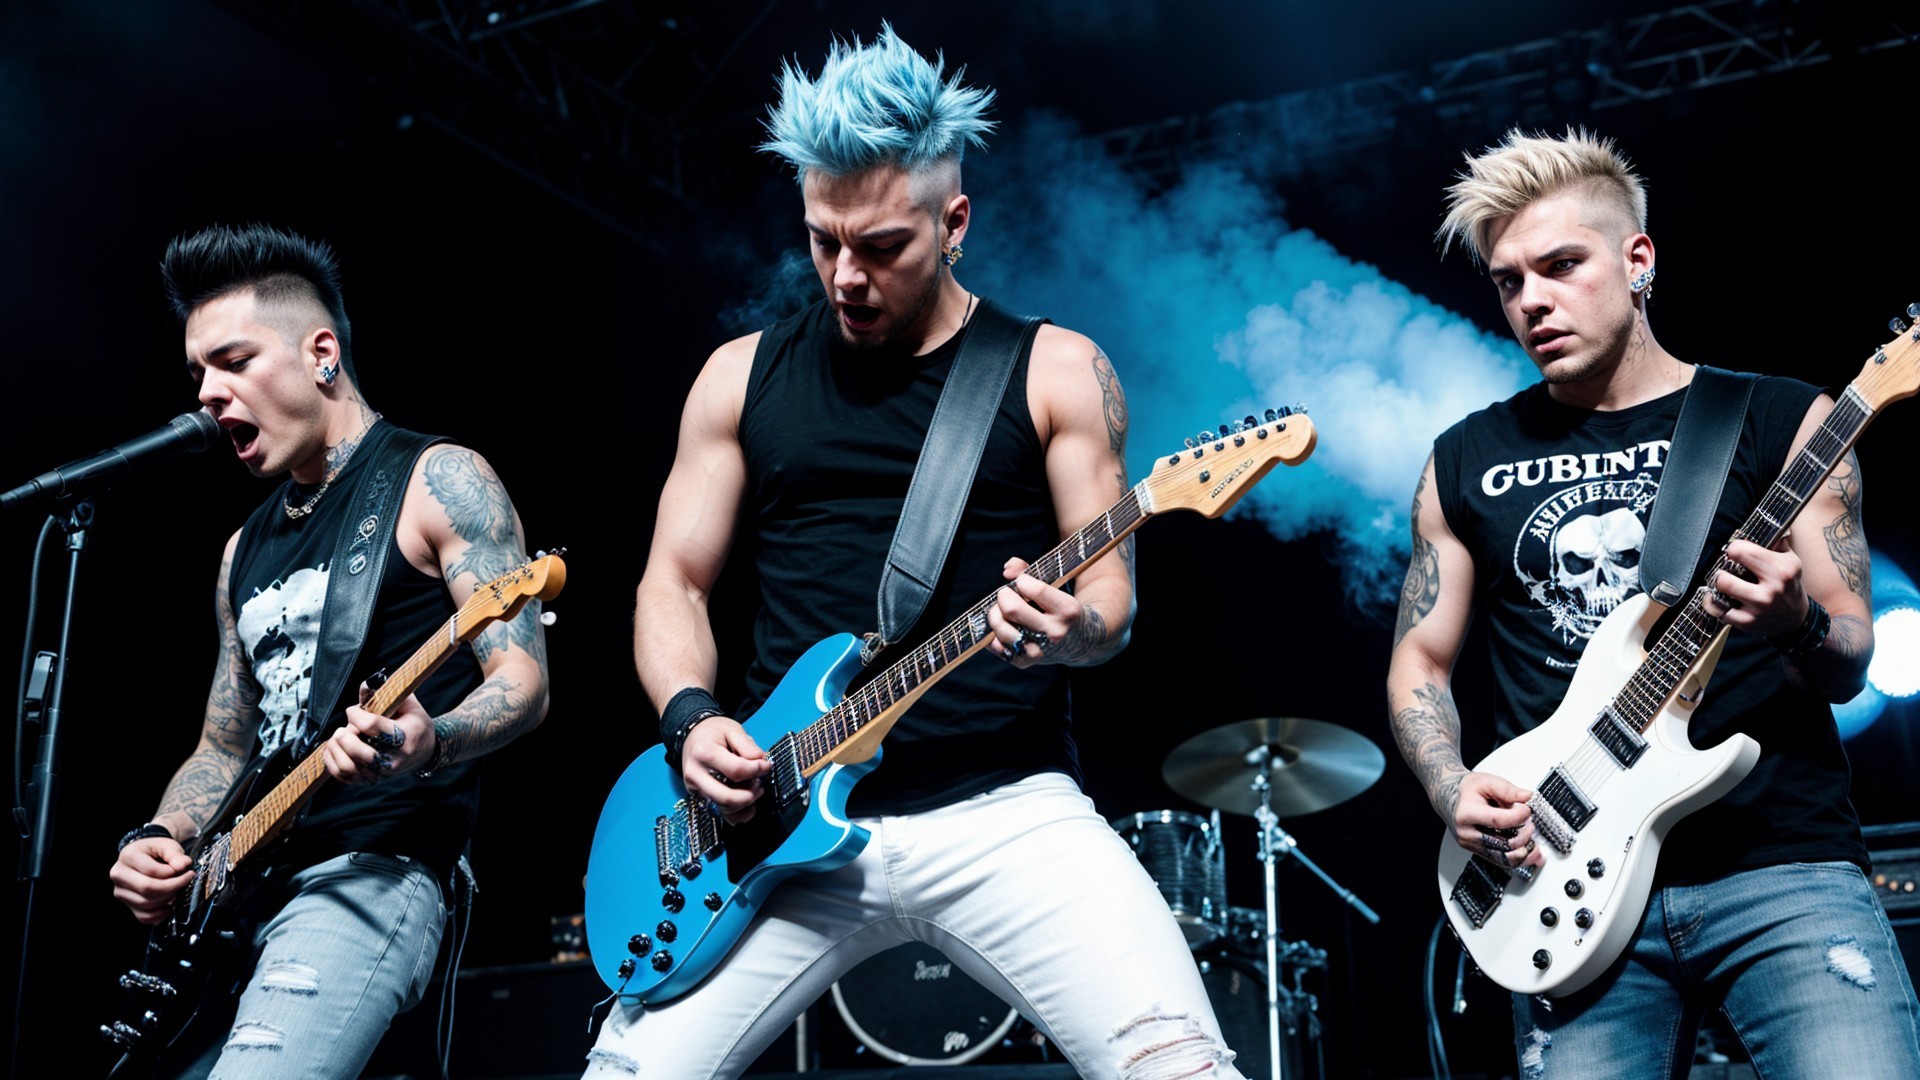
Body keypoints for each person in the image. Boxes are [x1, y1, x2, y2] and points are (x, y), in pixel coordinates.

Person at [585, 26, 1243, 1080]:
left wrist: (1071, 631)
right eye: (823, 241)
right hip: (778, 829)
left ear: (954, 223)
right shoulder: (737, 378)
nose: (846, 277)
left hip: (1003, 809)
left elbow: (1110, 604)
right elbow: (675, 582)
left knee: (1181, 1067)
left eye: (883, 247)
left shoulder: (1057, 370)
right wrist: (691, 719)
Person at [1386, 129, 1920, 1077]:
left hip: (1780, 867)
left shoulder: (1782, 418)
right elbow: (1420, 662)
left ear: (1638, 260)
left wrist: (1795, 623)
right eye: (1509, 282)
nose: (1532, 300)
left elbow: (1848, 658)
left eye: (1561, 265)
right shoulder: (1464, 458)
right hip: (1557, 884)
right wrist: (1450, 785)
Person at [106, 224, 551, 1079]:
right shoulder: (241, 550)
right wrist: (163, 835)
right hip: (236, 901)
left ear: (322, 354)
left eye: (233, 361)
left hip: (370, 872)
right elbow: (223, 745)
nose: (209, 393)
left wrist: (431, 740)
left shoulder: (437, 479)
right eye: (198, 373)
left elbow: (523, 678)